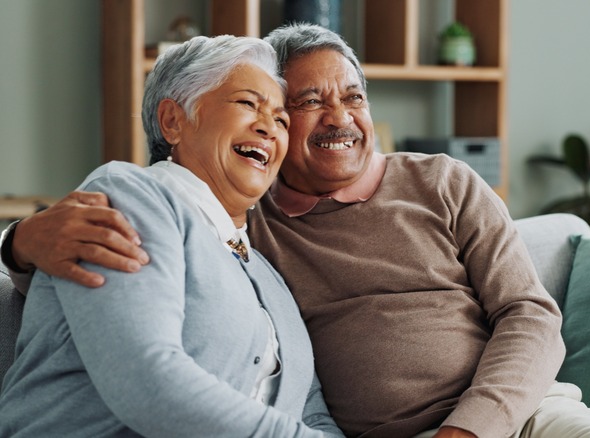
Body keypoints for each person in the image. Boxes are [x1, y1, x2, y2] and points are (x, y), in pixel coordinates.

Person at [1, 24, 590, 438]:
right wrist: (20, 242)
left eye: (353, 97)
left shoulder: (437, 183)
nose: (338, 119)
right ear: (174, 119)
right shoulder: (218, 217)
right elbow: (132, 341)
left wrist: (469, 431)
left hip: (520, 415)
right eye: (293, 106)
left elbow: (530, 314)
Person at [0, 34, 343, 438]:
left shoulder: (269, 278)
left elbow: (312, 414)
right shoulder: (131, 197)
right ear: (173, 121)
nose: (269, 126)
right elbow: (147, 382)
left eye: (282, 119)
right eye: (248, 103)